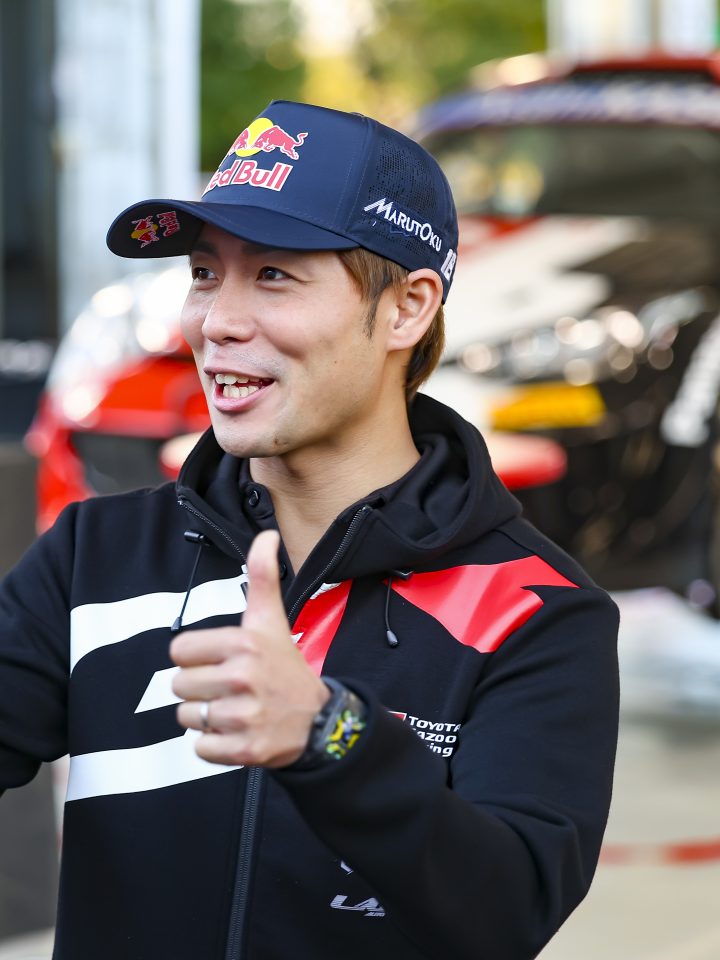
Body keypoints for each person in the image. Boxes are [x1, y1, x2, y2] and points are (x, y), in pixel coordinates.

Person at [0, 100, 619, 960]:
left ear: (407, 308)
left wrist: (333, 739)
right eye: (205, 273)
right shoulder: (95, 556)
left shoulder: (536, 611)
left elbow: (507, 911)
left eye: (273, 275)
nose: (215, 321)